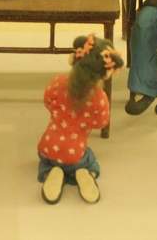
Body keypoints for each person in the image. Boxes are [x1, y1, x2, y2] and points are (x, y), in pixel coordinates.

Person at [37, 34, 123, 205]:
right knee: (89, 158)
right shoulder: (99, 98)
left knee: (47, 159)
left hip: (48, 145)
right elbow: (102, 122)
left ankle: (52, 171)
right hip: (75, 153)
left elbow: (48, 101)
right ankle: (83, 172)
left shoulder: (58, 82)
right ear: (104, 74)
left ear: (74, 59)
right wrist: (84, 122)